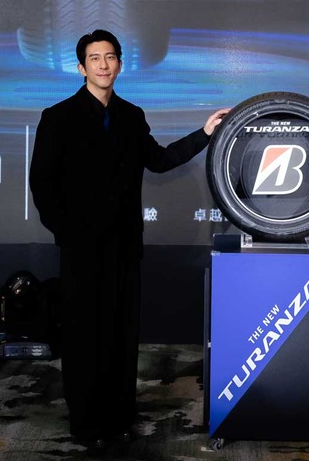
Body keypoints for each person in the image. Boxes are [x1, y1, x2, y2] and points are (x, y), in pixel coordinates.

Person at [29, 29, 228, 447]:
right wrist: (66, 232)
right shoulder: (58, 117)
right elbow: (42, 184)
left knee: (121, 333)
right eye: (94, 58)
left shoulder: (131, 116)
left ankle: (119, 415)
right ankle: (86, 422)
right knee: (84, 337)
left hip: (124, 247)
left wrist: (205, 133)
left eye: (110, 57)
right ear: (81, 68)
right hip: (81, 249)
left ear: (120, 64)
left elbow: (160, 160)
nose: (103, 65)